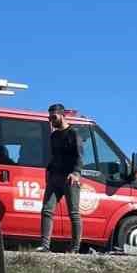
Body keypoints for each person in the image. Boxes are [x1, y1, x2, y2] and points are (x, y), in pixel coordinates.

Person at [38, 103, 82, 254]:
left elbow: (79, 156)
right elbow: (53, 156)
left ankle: (75, 248)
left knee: (74, 213)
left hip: (70, 178)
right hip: (55, 178)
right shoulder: (54, 136)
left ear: (62, 115)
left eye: (53, 116)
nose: (51, 120)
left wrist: (76, 173)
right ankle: (44, 246)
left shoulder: (73, 133)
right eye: (49, 117)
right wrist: (48, 171)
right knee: (47, 210)